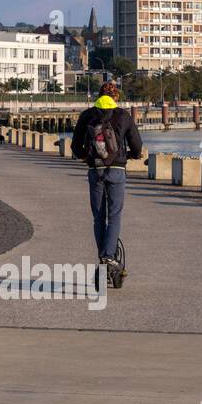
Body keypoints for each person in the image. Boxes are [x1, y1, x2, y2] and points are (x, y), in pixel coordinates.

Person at [71, 80, 143, 287]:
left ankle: (103, 258)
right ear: (116, 96)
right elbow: (137, 144)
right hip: (117, 170)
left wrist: (87, 158)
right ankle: (109, 256)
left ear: (99, 95)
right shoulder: (123, 115)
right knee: (114, 215)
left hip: (95, 170)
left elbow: (75, 146)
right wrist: (132, 155)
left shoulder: (87, 115)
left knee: (98, 217)